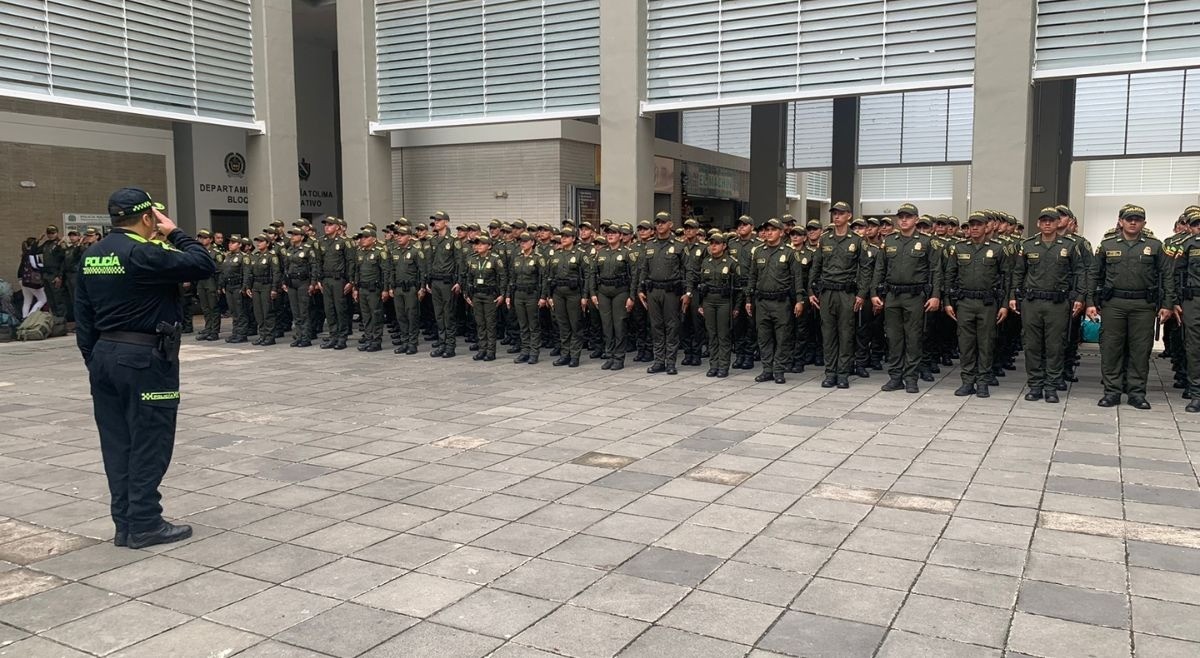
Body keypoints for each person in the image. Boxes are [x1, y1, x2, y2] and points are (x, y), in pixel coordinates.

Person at [74, 187, 216, 548]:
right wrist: (175, 233)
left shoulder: (92, 254)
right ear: (148, 217)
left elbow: (83, 316)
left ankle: (124, 523)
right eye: (156, 217)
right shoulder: (143, 252)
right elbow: (203, 263)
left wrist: (96, 358)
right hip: (145, 359)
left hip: (105, 356)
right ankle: (145, 522)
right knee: (150, 439)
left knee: (118, 443)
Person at [1086, 205, 1174, 409]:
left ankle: (1136, 393)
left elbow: (1167, 276)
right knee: (1111, 348)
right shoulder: (1107, 245)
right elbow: (1094, 274)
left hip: (1143, 305)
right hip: (1113, 304)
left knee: (1140, 350)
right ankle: (1112, 392)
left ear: (1144, 222)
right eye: (1129, 219)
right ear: (1120, 221)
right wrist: (1090, 302)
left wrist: (1167, 304)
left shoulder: (1155, 246)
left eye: (1137, 219)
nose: (1133, 222)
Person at [1010, 208, 1086, 404]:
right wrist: (1013, 296)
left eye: (1051, 221)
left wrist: (1079, 297)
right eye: (1043, 220)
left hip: (1058, 303)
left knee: (1055, 346)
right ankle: (1035, 385)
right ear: (1038, 223)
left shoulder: (1068, 245)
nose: (1047, 224)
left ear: (1057, 223)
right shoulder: (1027, 245)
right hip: (1032, 302)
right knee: (1032, 345)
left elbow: (1079, 272)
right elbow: (1018, 273)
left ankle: (1051, 386)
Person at [871, 203, 943, 394]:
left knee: (914, 338)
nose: (904, 220)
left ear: (916, 220)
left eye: (908, 217)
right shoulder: (890, 241)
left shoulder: (927, 242)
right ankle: (895, 377)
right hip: (892, 296)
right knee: (894, 338)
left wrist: (936, 296)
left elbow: (936, 271)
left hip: (915, 296)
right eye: (901, 217)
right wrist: (873, 294)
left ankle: (911, 378)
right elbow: (879, 269)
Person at [944, 212, 1009, 398]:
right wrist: (948, 302)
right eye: (971, 225)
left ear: (986, 227)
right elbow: (950, 276)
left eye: (978, 225)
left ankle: (983, 382)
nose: (974, 228)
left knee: (986, 343)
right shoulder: (959, 248)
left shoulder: (997, 249)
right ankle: (967, 381)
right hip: (964, 303)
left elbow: (1006, 279)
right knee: (965, 344)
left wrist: (1004, 305)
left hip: (988, 303)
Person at [808, 202, 869, 389]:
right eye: (834, 213)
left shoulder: (856, 241)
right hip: (827, 293)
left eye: (841, 213)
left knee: (846, 334)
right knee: (828, 334)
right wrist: (811, 291)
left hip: (847, 293)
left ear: (849, 216)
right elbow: (816, 267)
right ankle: (830, 373)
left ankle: (843, 373)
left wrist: (861, 294)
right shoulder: (825, 239)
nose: (837, 216)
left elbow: (865, 269)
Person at [746, 218, 806, 384]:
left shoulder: (789, 252)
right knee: (764, 337)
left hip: (781, 302)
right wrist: (748, 299)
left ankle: (779, 370)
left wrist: (799, 300)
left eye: (773, 229)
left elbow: (797, 279)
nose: (769, 232)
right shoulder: (758, 251)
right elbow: (752, 277)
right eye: (767, 229)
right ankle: (767, 370)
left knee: (782, 337)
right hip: (762, 301)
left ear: (781, 232)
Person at [638, 212, 691, 375]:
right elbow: (644, 269)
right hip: (653, 290)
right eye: (658, 222)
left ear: (671, 224)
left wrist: (688, 292)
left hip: (671, 292)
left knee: (671, 326)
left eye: (663, 222)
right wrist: (640, 289)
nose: (660, 225)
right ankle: (659, 360)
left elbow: (688, 270)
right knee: (656, 326)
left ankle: (670, 362)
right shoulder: (650, 245)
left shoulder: (680, 245)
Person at [588, 224, 636, 370]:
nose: (610, 235)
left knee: (619, 325)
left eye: (614, 233)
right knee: (607, 325)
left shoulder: (627, 253)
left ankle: (619, 358)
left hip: (620, 291)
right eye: (608, 233)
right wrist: (593, 293)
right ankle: (609, 355)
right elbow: (592, 274)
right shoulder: (601, 252)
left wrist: (631, 296)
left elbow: (634, 276)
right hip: (603, 292)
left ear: (621, 236)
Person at [693, 233, 740, 377]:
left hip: (724, 301)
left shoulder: (731, 262)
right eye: (711, 243)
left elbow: (738, 288)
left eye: (717, 243)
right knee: (711, 334)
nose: (713, 246)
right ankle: (713, 365)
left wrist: (737, 307)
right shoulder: (705, 262)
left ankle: (723, 366)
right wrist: (700, 303)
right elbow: (702, 284)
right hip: (708, 300)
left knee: (723, 335)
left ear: (724, 246)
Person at [546, 227, 587, 367]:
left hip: (574, 293)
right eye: (562, 236)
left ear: (573, 239)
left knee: (575, 324)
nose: (563, 239)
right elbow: (549, 276)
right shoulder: (556, 255)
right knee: (562, 324)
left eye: (567, 236)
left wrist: (585, 296)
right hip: (558, 292)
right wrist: (549, 295)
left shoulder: (580, 255)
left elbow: (587, 276)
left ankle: (575, 355)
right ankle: (565, 354)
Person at [465, 235, 507, 361]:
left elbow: (503, 277)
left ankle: (490, 351)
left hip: (490, 295)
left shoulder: (495, 259)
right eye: (477, 244)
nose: (478, 246)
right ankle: (482, 349)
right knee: (480, 323)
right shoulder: (473, 259)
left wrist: (502, 294)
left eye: (482, 244)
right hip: (477, 295)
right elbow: (469, 278)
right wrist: (467, 294)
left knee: (490, 324)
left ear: (489, 246)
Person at [508, 231, 547, 364]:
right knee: (522, 324)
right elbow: (512, 278)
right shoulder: (517, 258)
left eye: (525, 241)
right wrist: (508, 295)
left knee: (533, 325)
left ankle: (534, 352)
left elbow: (544, 279)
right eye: (521, 241)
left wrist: (543, 297)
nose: (522, 244)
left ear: (532, 243)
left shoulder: (538, 258)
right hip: (519, 294)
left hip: (532, 294)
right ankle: (525, 351)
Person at [389, 226, 426, 355]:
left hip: (411, 288)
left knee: (412, 315)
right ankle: (404, 342)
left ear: (409, 237)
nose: (398, 237)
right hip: (398, 288)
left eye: (402, 235)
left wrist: (422, 288)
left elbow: (422, 271)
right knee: (401, 316)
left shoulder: (416, 251)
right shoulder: (394, 251)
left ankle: (412, 343)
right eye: (397, 235)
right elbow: (391, 271)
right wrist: (390, 287)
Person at [282, 227, 318, 347]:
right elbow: (285, 267)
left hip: (303, 281)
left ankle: (306, 337)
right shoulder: (289, 250)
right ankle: (299, 336)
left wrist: (313, 283)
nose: (293, 236)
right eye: (292, 234)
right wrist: (284, 282)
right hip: (292, 282)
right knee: (295, 311)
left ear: (302, 237)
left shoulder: (308, 249)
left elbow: (314, 267)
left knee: (304, 311)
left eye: (296, 234)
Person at [245, 235, 281, 346]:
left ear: (268, 243)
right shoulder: (255, 256)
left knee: (267, 312)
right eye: (257, 241)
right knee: (258, 312)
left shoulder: (272, 256)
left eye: (261, 241)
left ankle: (270, 336)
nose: (258, 243)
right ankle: (262, 335)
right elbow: (250, 273)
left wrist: (274, 288)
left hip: (267, 285)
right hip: (256, 286)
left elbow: (276, 273)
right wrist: (248, 287)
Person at [193, 230, 224, 341]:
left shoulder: (216, 253)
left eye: (205, 238)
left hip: (211, 280)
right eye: (200, 238)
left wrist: (219, 286)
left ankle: (214, 331)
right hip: (201, 281)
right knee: (205, 308)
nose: (202, 240)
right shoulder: (200, 251)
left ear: (210, 239)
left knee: (213, 307)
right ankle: (208, 328)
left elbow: (220, 271)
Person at [17, 237, 47, 318]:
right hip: (31, 280)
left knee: (27, 301)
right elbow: (35, 266)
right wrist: (46, 267)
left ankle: (24, 318)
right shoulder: (33, 254)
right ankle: (30, 317)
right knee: (42, 299)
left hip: (22, 279)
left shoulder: (25, 253)